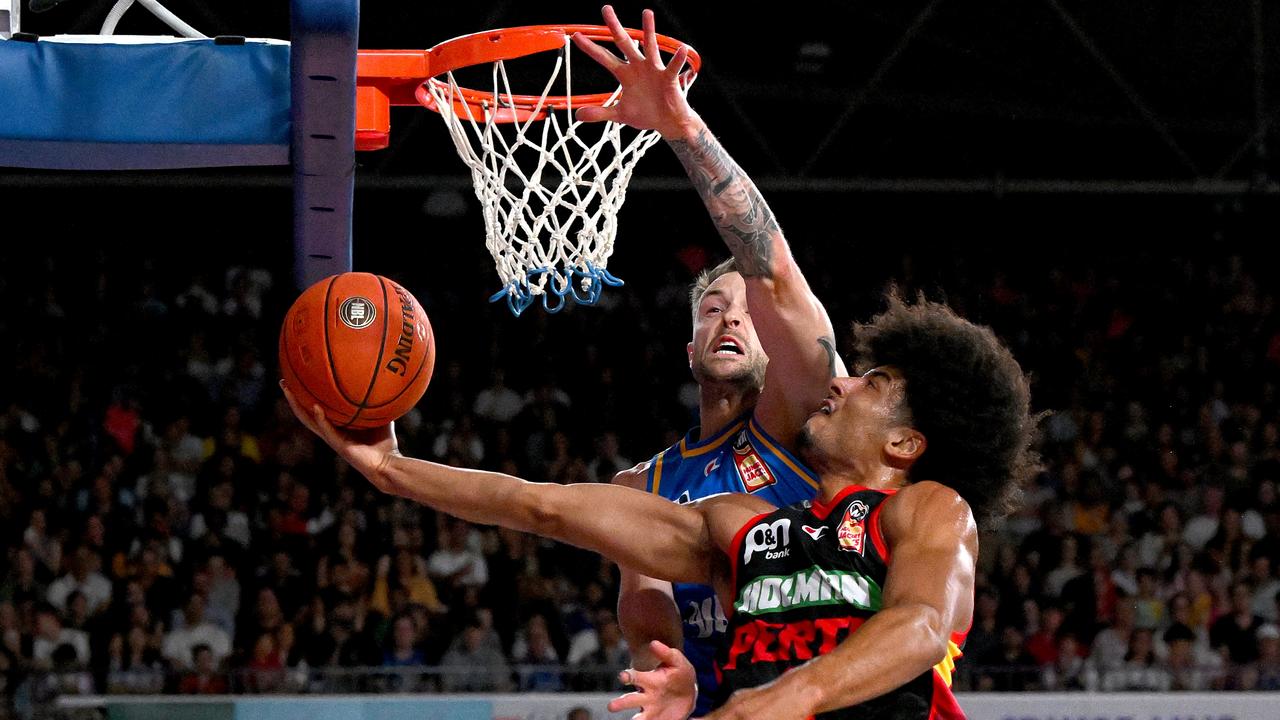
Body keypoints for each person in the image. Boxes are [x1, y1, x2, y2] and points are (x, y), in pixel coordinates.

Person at [282, 276, 1037, 717]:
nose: (839, 379)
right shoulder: (735, 526)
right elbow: (539, 505)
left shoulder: (927, 510)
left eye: (869, 383)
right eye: (712, 308)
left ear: (905, 445)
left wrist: (783, 699)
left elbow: (920, 626)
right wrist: (391, 469)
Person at [583, 6, 847, 714]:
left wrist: (684, 131)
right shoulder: (643, 482)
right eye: (709, 310)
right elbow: (645, 612)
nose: (730, 316)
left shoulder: (811, 427)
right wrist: (667, 668)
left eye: (744, 312)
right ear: (689, 349)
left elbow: (774, 270)